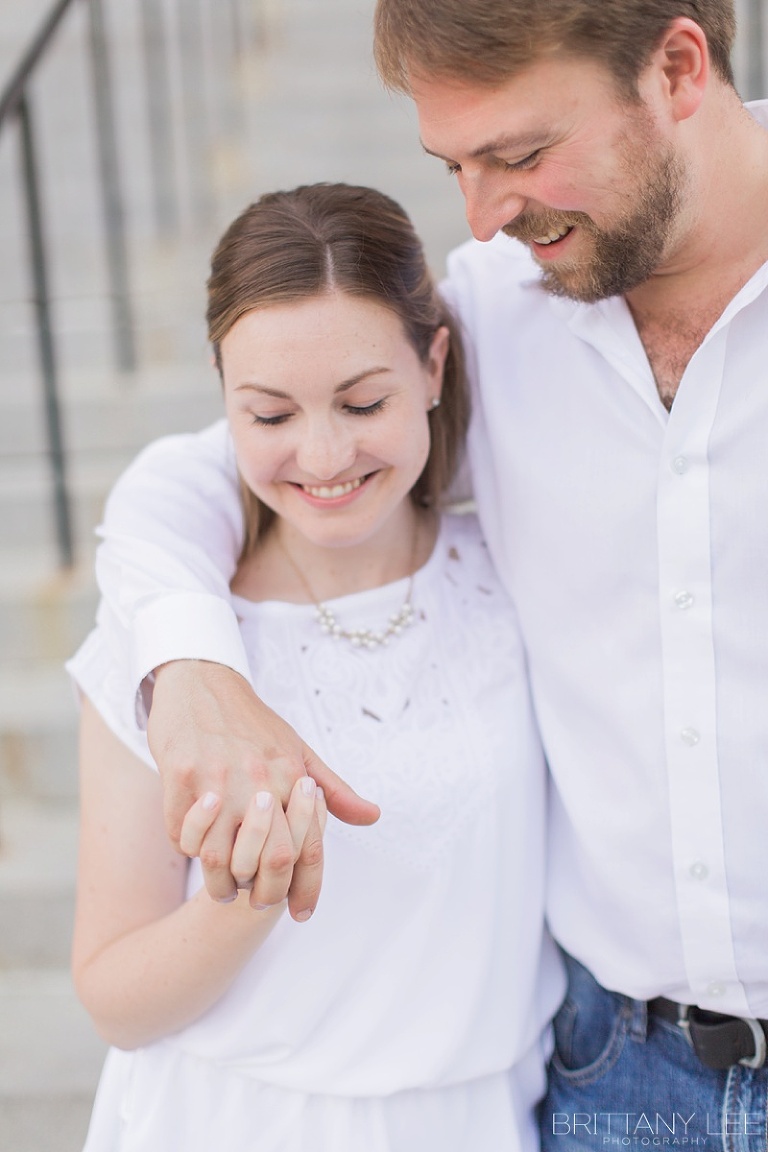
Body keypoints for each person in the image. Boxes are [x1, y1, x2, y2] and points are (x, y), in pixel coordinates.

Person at [85, 0, 768, 1147]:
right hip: (620, 1082)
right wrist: (190, 661)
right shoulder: (503, 314)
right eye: (454, 164)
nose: (486, 213)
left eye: (522, 154)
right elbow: (201, 476)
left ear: (678, 69)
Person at [68, 183, 562, 1152]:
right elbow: (113, 998)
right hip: (236, 1122)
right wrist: (245, 901)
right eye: (271, 414)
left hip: (481, 1118)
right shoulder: (173, 643)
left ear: (434, 365)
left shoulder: (514, 567)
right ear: (222, 398)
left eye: (363, 401)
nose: (323, 454)